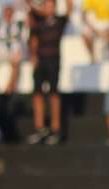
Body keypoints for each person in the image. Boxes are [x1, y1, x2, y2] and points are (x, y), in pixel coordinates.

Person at [27, 0, 70, 145]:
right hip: (40, 60)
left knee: (53, 93)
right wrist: (33, 56)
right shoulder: (37, 21)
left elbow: (70, 8)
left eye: (52, 5)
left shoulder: (60, 21)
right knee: (37, 93)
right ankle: (40, 128)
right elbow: (33, 39)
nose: (49, 8)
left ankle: (56, 129)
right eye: (47, 5)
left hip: (53, 61)